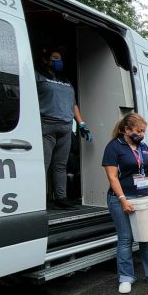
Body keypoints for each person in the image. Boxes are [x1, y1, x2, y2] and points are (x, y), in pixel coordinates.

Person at [102, 113, 148, 294]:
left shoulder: (143, 147)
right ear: (126, 129)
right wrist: (122, 199)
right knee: (125, 239)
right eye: (138, 131)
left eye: (143, 131)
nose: (141, 134)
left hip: (142, 198)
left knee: (146, 238)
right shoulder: (114, 147)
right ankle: (126, 277)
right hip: (121, 197)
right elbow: (112, 177)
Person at [36, 46, 92, 210]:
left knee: (60, 165)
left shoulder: (66, 82)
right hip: (46, 124)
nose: (58, 61)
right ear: (46, 59)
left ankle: (61, 198)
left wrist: (81, 124)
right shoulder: (38, 77)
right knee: (43, 164)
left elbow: (73, 104)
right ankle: (38, 199)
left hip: (65, 126)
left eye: (59, 58)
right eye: (55, 58)